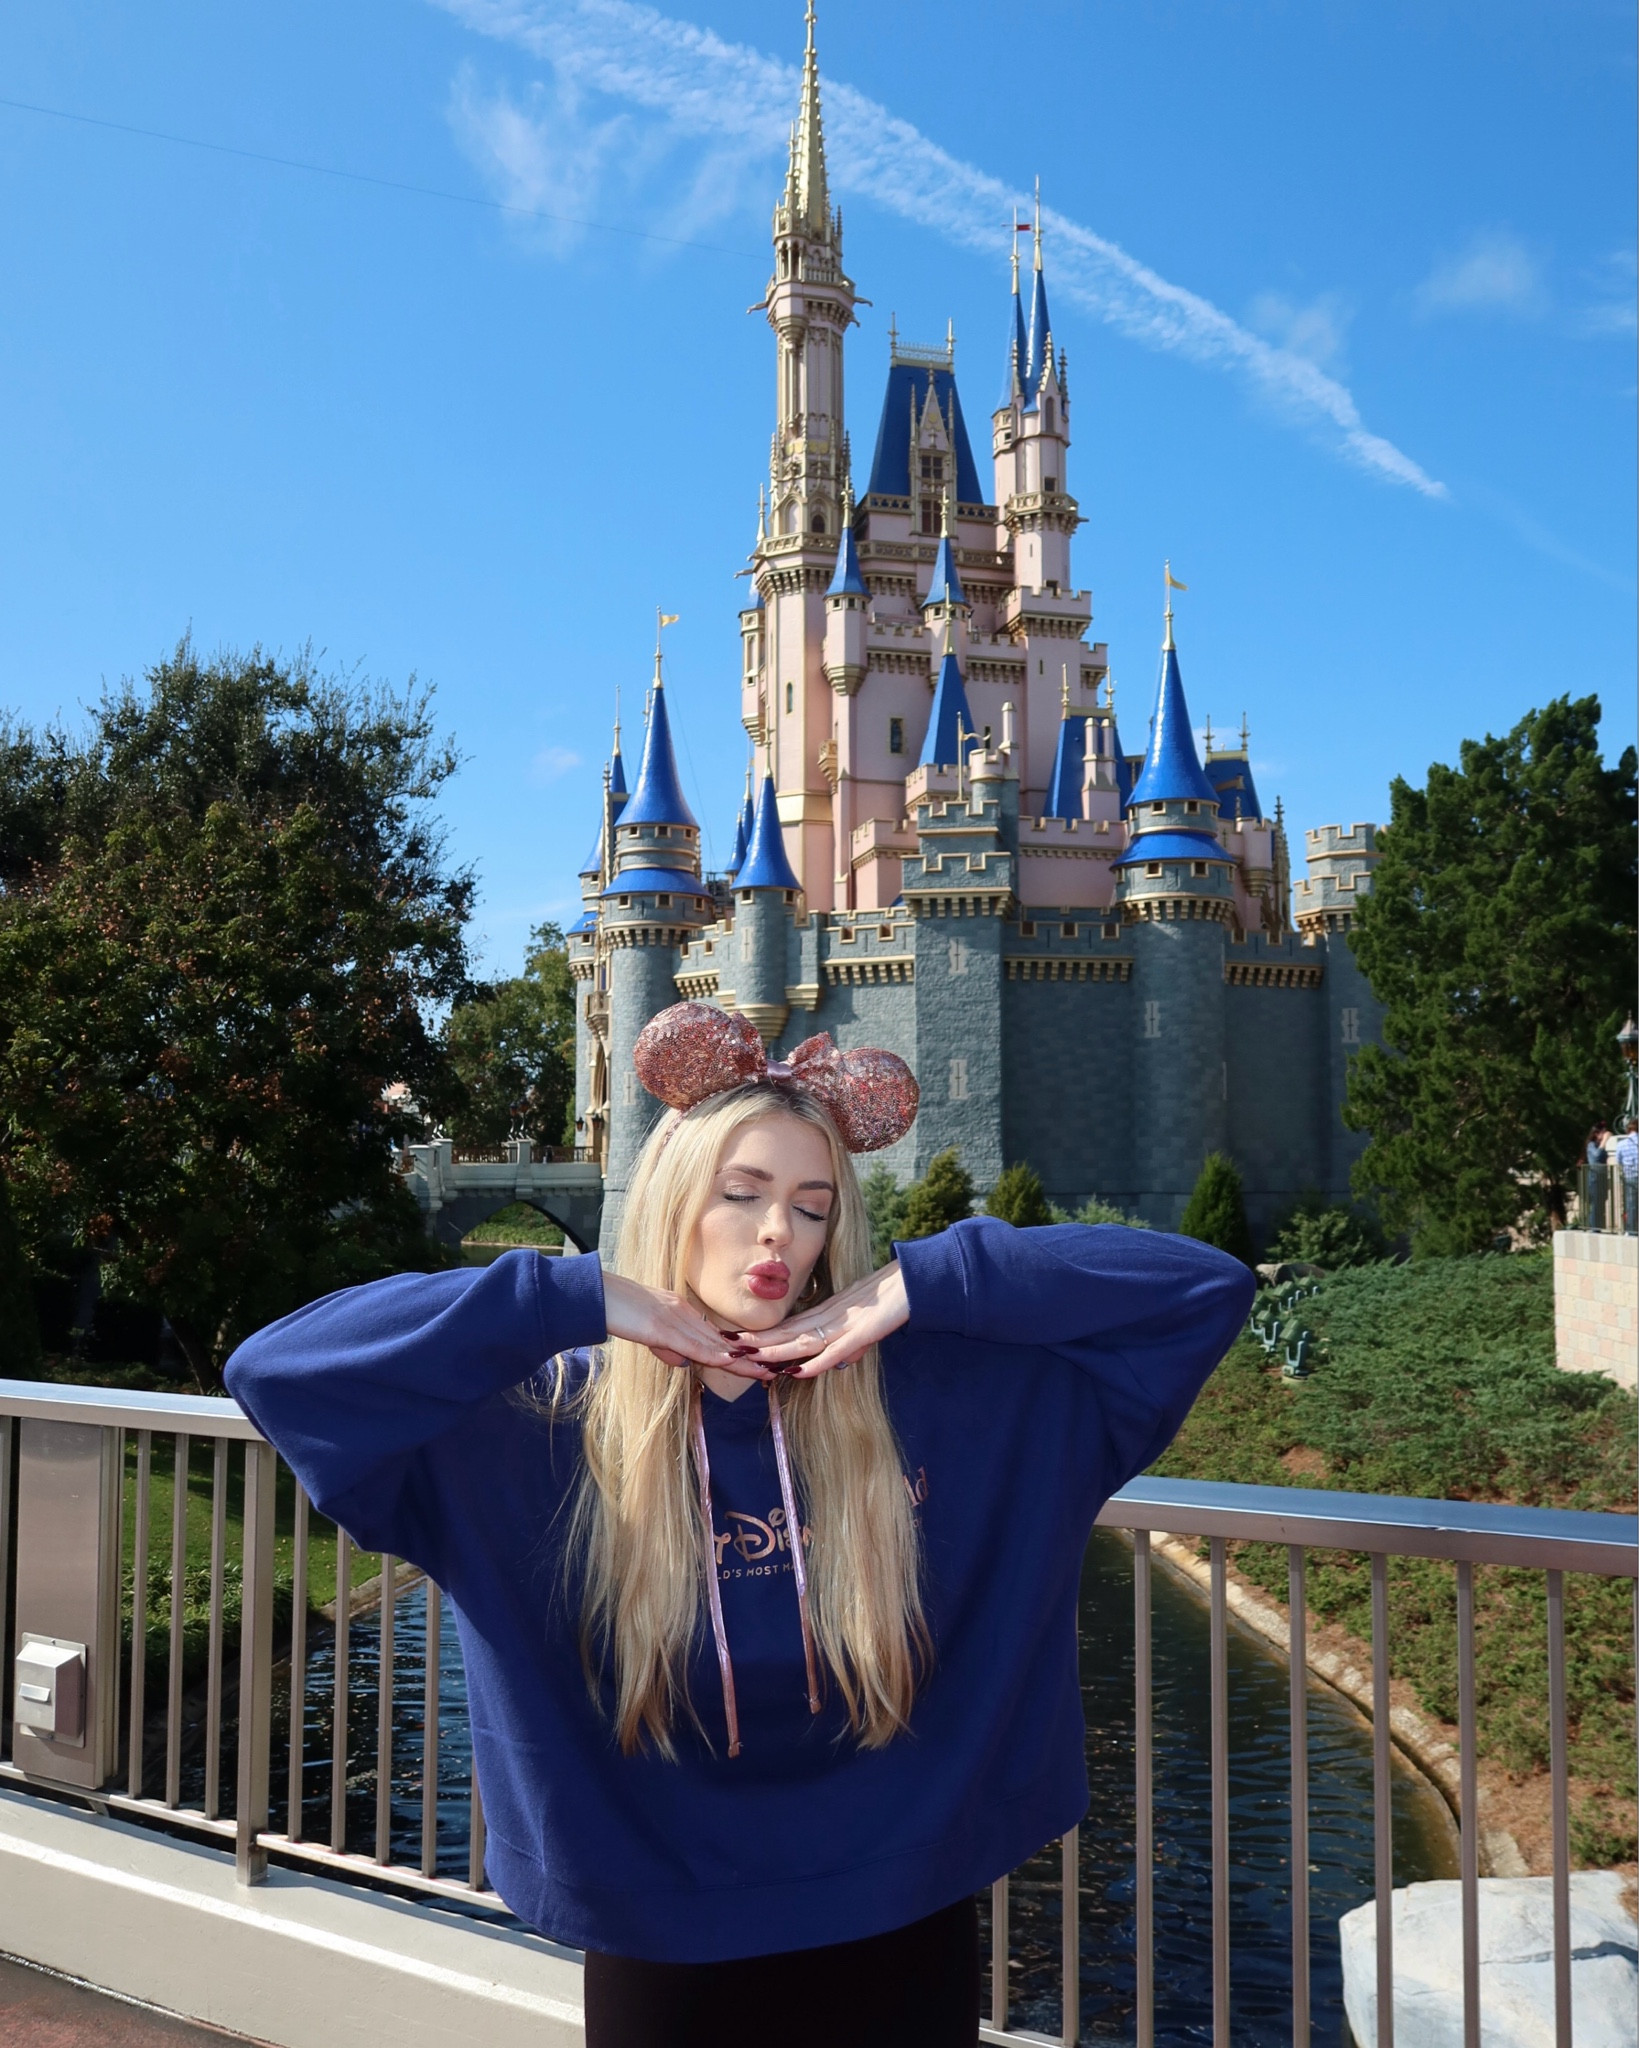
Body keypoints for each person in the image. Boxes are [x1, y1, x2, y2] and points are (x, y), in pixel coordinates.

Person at [225, 1002, 1251, 2048]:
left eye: (812, 1207)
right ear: (672, 1201)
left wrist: (925, 1279)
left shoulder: (936, 1401)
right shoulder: (541, 1426)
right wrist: (569, 1295)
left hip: (901, 1912)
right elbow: (282, 1370)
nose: (779, 1234)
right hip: (660, 1934)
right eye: (741, 1193)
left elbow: (1197, 1290)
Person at [1585, 1123, 1612, 1231]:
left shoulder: (1601, 1145)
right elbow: (1596, 1156)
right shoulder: (1591, 1145)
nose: (1605, 1134)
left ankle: (1598, 1226)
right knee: (1596, 1203)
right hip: (1594, 1177)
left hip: (1602, 1176)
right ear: (1596, 1133)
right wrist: (1604, 1141)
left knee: (1601, 1202)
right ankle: (1594, 1228)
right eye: (1603, 1132)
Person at [1616, 1121, 1639, 1236]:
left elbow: (1618, 1161)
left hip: (1630, 1176)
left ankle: (1632, 1231)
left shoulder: (1622, 1144)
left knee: (1631, 1204)